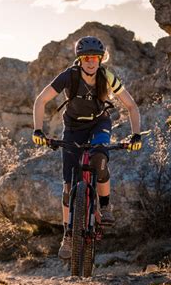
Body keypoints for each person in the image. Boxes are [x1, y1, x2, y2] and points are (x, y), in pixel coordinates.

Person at [32, 36, 142, 260]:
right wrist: (37, 130)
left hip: (99, 123)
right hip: (73, 128)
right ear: (80, 59)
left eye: (96, 58)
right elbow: (41, 100)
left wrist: (136, 134)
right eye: (87, 58)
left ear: (101, 59)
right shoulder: (69, 76)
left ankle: (105, 206)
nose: (91, 62)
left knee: (99, 158)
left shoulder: (106, 76)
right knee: (68, 186)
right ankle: (69, 236)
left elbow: (131, 105)